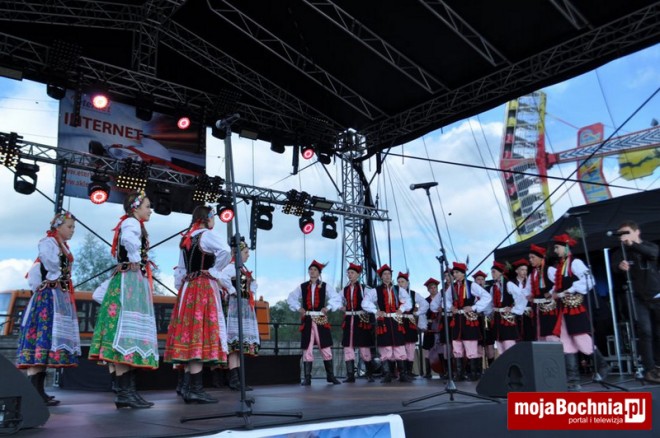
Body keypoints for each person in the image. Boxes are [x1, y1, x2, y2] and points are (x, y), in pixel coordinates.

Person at [88, 191, 159, 409]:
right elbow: (128, 240)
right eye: (147, 206)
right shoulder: (131, 222)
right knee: (126, 334)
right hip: (129, 280)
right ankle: (125, 393)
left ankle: (126, 392)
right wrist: (136, 260)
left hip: (130, 280)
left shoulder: (134, 223)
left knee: (129, 336)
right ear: (135, 207)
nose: (150, 210)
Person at [164, 205, 231, 403]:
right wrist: (215, 271)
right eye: (213, 217)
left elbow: (180, 270)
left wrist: (182, 287)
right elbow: (226, 251)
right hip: (203, 287)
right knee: (201, 332)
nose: (214, 221)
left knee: (190, 332)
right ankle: (195, 389)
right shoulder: (207, 235)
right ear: (207, 218)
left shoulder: (187, 238)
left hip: (188, 289)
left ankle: (187, 387)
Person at [16, 211, 80, 406]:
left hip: (57, 298)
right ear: (58, 227)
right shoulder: (48, 243)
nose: (72, 230)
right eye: (69, 227)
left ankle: (39, 392)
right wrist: (56, 275)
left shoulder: (61, 246)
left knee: (46, 346)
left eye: (73, 227)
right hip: (47, 299)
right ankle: (33, 394)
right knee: (41, 342)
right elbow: (45, 268)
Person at [548, 233, 610, 391]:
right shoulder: (562, 266)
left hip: (575, 307)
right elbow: (559, 285)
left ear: (566, 247)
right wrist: (554, 292)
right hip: (564, 308)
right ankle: (573, 379)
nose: (555, 250)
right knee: (565, 340)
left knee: (580, 337)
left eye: (557, 247)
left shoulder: (575, 263)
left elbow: (589, 280)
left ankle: (602, 364)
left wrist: (568, 290)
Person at [611, 220, 660, 384]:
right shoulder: (621, 252)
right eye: (621, 234)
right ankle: (649, 369)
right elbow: (614, 266)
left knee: (658, 332)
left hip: (656, 294)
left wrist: (632, 245)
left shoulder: (649, 246)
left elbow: (653, 254)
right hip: (637, 297)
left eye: (626, 232)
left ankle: (658, 365)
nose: (623, 237)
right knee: (645, 331)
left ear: (636, 232)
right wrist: (620, 266)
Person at [287, 260, 341, 385]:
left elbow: (336, 298)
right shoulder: (302, 286)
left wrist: (328, 307)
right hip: (307, 319)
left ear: (319, 273)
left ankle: (330, 376)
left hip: (320, 318)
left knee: (325, 346)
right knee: (307, 347)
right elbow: (291, 297)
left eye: (315, 270)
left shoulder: (325, 286)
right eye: (310, 269)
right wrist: (298, 308)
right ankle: (307, 378)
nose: (312, 271)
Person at [218, 238, 260, 391]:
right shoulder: (231, 267)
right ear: (239, 253)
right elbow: (221, 277)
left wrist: (250, 289)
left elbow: (253, 284)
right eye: (246, 252)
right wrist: (232, 290)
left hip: (244, 307)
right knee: (235, 345)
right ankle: (234, 380)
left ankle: (238, 380)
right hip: (235, 307)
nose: (248, 255)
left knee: (239, 346)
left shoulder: (242, 269)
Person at [362, 264, 412, 383]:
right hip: (384, 321)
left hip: (395, 320)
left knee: (399, 346)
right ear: (381, 276)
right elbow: (365, 302)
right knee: (386, 347)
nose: (387, 276)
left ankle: (402, 374)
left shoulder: (398, 289)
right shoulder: (375, 290)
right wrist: (375, 310)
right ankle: (387, 374)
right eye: (385, 274)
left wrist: (402, 309)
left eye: (389, 274)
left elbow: (408, 301)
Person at [444, 262, 491, 381]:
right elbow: (446, 299)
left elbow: (487, 297)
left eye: (457, 272)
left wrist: (474, 307)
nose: (454, 274)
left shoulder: (472, 285)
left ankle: (474, 373)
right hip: (457, 319)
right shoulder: (452, 287)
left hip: (468, 319)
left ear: (463, 274)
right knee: (457, 345)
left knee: (471, 345)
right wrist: (451, 307)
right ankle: (459, 373)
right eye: (454, 272)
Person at [333, 263, 375, 383]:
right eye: (348, 273)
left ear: (358, 275)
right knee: (348, 346)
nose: (349, 275)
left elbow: (373, 300)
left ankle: (369, 373)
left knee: (363, 347)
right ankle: (350, 375)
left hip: (360, 319)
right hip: (348, 319)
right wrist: (340, 307)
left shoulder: (365, 288)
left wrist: (367, 308)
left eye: (352, 273)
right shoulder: (345, 289)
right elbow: (335, 300)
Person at [396, 272, 428, 380]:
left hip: (409, 321)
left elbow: (425, 304)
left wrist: (417, 313)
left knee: (410, 346)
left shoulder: (414, 294)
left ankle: (408, 371)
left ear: (407, 283)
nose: (400, 284)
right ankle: (401, 371)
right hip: (398, 320)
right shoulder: (394, 294)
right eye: (398, 282)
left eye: (402, 281)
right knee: (399, 345)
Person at [527, 244, 560, 343]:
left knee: (550, 334)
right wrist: (528, 295)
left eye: (533, 257)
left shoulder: (549, 270)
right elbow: (527, 290)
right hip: (537, 308)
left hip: (549, 308)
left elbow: (559, 282)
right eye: (529, 258)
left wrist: (550, 292)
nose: (530, 260)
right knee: (539, 334)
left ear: (541, 258)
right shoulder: (532, 274)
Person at [501, 259, 529, 354]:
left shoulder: (529, 282)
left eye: (526, 270)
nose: (524, 272)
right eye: (522, 269)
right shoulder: (511, 283)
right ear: (517, 271)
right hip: (516, 314)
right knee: (517, 337)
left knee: (529, 337)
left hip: (529, 314)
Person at [421, 277, 442, 378]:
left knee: (441, 348)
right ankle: (428, 372)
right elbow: (423, 315)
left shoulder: (442, 299)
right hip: (429, 326)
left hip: (440, 325)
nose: (433, 290)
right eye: (431, 288)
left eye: (435, 288)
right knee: (428, 348)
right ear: (428, 290)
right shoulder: (425, 301)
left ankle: (442, 371)